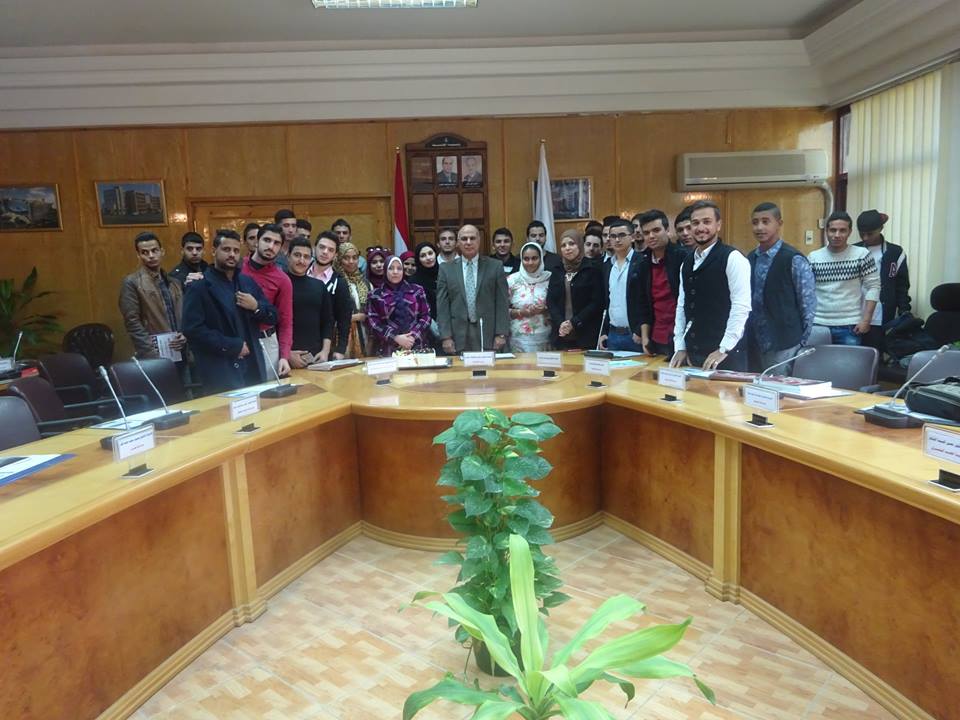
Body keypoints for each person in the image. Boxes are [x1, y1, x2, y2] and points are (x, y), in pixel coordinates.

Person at [182, 230, 277, 394]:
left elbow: (273, 316)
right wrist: (232, 346)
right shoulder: (199, 287)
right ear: (214, 251)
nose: (232, 254)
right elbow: (192, 330)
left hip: (252, 365)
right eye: (226, 249)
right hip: (221, 368)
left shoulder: (247, 283)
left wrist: (256, 307)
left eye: (236, 250)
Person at [670, 200, 751, 371]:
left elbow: (741, 307)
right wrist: (680, 346)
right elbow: (682, 306)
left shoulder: (733, 258)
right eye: (695, 223)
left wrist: (724, 348)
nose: (700, 228)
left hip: (726, 354)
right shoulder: (687, 262)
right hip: (694, 353)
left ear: (718, 225)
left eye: (706, 222)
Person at [745, 202, 817, 373]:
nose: (759, 227)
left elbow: (808, 303)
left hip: (784, 342)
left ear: (779, 223)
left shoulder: (793, 259)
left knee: (778, 387)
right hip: (754, 339)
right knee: (754, 386)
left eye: (765, 221)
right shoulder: (750, 258)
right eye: (755, 222)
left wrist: (801, 341)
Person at [809, 211, 881, 346]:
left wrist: (866, 320)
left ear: (850, 232)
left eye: (842, 230)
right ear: (826, 231)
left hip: (849, 326)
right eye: (833, 230)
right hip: (818, 324)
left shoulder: (862, 255)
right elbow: (806, 291)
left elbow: (874, 287)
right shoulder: (813, 257)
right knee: (817, 360)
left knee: (848, 360)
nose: (837, 235)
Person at [436, 224, 510, 353]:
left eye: (472, 238)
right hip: (457, 336)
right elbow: (442, 306)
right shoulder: (446, 269)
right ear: (458, 243)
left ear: (479, 241)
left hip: (488, 333)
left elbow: (502, 302)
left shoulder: (495, 266)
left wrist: (501, 333)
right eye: (464, 239)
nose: (468, 242)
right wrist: (446, 337)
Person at [119, 231, 187, 360]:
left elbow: (183, 314)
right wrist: (151, 351)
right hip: (154, 353)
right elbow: (132, 323)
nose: (151, 256)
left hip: (180, 348)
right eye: (145, 252)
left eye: (154, 250)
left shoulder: (174, 282)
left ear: (162, 251)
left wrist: (185, 335)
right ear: (138, 255)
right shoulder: (132, 282)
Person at [854, 209, 911, 352]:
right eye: (862, 234)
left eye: (870, 234)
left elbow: (901, 285)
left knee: (875, 354)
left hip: (881, 314)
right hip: (855, 313)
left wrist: (904, 310)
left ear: (880, 228)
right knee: (854, 354)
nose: (865, 238)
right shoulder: (853, 250)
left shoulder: (894, 252)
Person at [241, 224, 293, 376]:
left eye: (276, 243)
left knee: (269, 388)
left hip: (266, 341)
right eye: (267, 240)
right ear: (257, 241)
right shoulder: (237, 267)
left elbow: (286, 321)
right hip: (239, 340)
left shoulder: (283, 279)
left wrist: (284, 356)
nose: (271, 246)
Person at [636, 209, 684, 356]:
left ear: (667, 230)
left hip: (679, 337)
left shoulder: (683, 257)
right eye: (646, 233)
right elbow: (643, 304)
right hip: (655, 338)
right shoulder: (642, 263)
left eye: (656, 230)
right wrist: (645, 338)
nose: (651, 236)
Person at [547, 228, 603, 350]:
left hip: (586, 333)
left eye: (572, 244)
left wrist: (574, 322)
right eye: (563, 245)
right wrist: (561, 323)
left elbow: (596, 302)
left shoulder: (592, 269)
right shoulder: (557, 270)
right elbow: (551, 301)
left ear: (580, 245)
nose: (567, 248)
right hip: (561, 334)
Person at [366, 256, 432, 356]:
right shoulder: (375, 295)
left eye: (399, 268)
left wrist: (413, 336)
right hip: (388, 350)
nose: (395, 272)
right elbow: (374, 323)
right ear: (385, 270)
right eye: (391, 268)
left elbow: (426, 316)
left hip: (417, 346)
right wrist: (395, 337)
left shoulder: (417, 290)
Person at [286, 237, 334, 368]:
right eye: (297, 255)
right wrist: (286, 353)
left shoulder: (319, 286)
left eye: (306, 257)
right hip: (286, 359)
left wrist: (325, 351)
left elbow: (327, 322)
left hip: (317, 358)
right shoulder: (280, 283)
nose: (302, 261)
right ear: (288, 256)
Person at [598, 218, 645, 352]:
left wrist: (640, 330)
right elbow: (608, 301)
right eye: (613, 236)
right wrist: (604, 331)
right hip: (613, 334)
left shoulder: (641, 262)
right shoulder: (607, 266)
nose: (617, 240)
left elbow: (645, 300)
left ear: (632, 237)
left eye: (622, 235)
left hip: (635, 334)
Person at [309, 231, 352, 360]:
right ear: (314, 248)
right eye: (322, 247)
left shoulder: (339, 283)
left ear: (335, 255)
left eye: (330, 250)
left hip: (326, 345)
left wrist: (341, 349)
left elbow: (344, 320)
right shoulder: (301, 273)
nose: (325, 252)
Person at [507, 242, 552, 352]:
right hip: (519, 338)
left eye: (534, 258)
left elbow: (559, 306)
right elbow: (501, 310)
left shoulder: (550, 278)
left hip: (546, 337)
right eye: (526, 259)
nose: (530, 262)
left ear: (541, 259)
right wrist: (521, 312)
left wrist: (545, 309)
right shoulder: (512, 280)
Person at [335, 241, 371, 358]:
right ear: (339, 259)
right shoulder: (334, 282)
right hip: (342, 336)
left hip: (365, 334)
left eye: (354, 258)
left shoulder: (366, 283)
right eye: (346, 258)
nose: (351, 261)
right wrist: (355, 317)